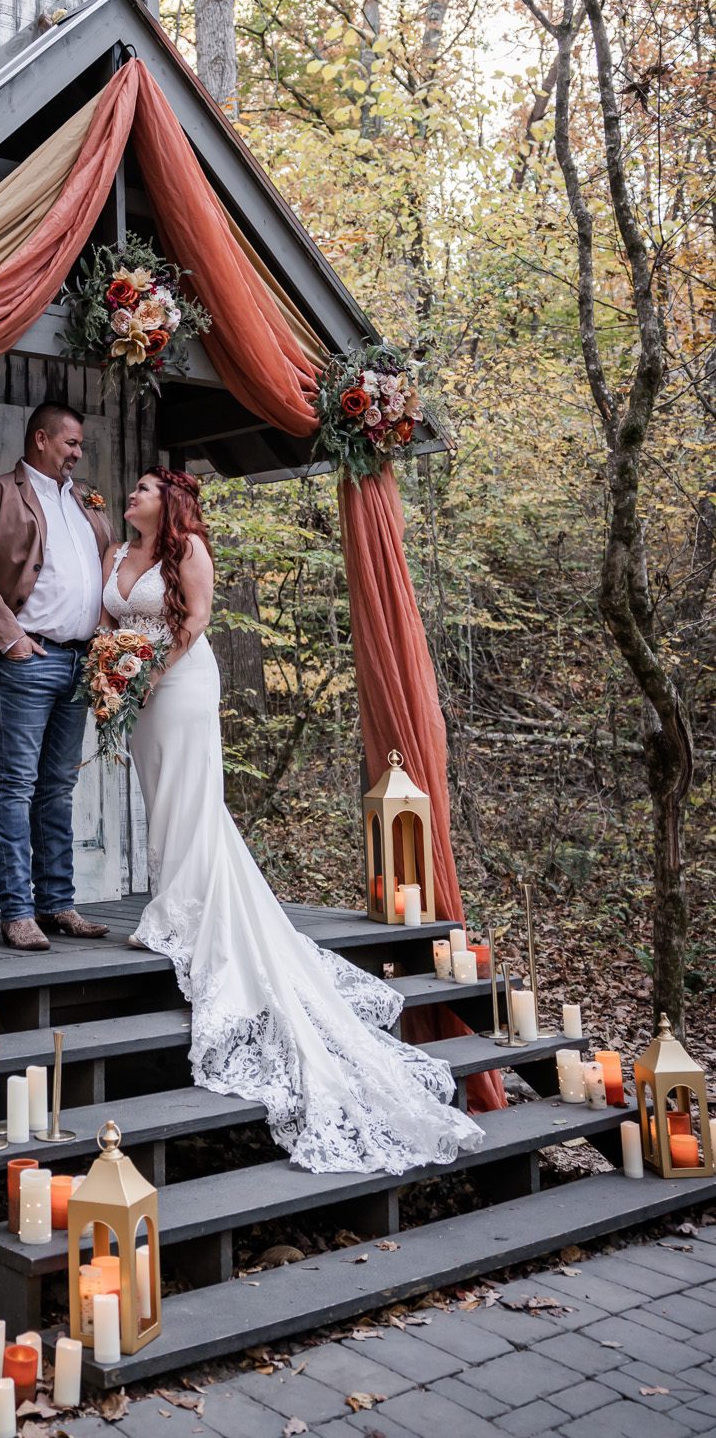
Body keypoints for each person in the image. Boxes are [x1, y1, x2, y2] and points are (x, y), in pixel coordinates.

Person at [102, 467, 484, 1175]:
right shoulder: (113, 556)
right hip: (135, 692)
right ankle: (174, 897)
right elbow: (108, 624)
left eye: (145, 489)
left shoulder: (184, 551)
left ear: (171, 502)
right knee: (160, 794)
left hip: (180, 683)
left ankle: (183, 910)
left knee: (191, 793)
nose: (133, 496)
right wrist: (113, 673)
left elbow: (194, 623)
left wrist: (152, 673)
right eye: (134, 490)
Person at [0, 402, 117, 951]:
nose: (77, 452)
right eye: (70, 443)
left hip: (80, 661)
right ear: (41, 439)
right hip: (30, 660)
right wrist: (12, 640)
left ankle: (57, 903)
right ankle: (17, 911)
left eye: (80, 445)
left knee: (58, 788)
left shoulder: (86, 503)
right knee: (16, 784)